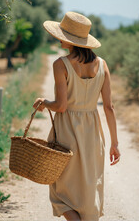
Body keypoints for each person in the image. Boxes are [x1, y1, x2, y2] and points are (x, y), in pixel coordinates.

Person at [33, 11, 121, 221]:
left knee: (60, 191)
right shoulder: (102, 64)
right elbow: (109, 107)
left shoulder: (60, 64)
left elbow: (61, 106)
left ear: (68, 39)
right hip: (93, 133)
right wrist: (114, 143)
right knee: (89, 188)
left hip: (67, 131)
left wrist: (44, 103)